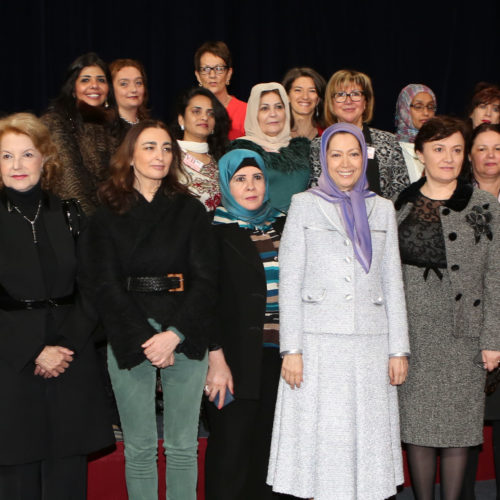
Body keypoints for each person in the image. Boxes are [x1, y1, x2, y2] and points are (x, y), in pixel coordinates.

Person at [267, 123, 409, 500]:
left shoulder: (382, 209)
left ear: (364, 157)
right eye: (336, 154)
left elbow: (393, 282)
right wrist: (291, 349)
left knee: (367, 439)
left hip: (370, 345)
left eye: (353, 153)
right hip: (317, 345)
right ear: (323, 159)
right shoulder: (303, 205)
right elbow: (290, 282)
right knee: (324, 441)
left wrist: (399, 350)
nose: (345, 163)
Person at [80, 119, 217, 500]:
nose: (159, 155)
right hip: (129, 332)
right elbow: (102, 284)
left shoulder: (190, 210)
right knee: (138, 448)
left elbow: (207, 280)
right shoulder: (105, 214)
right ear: (130, 155)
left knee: (182, 446)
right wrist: (146, 338)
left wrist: (173, 335)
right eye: (150, 147)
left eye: (166, 148)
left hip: (184, 329)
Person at [0, 113, 114, 500]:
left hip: (71, 360)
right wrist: (32, 351)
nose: (17, 165)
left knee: (67, 479)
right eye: (6, 156)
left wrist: (64, 346)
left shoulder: (69, 213)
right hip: (11, 366)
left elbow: (93, 288)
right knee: (17, 479)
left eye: (27, 154)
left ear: (45, 159)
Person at [394, 116, 500, 500]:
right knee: (418, 431)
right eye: (439, 149)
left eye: (457, 150)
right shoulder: (400, 204)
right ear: (420, 153)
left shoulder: (485, 205)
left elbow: (496, 277)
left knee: (458, 434)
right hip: (414, 335)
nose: (449, 158)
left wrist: (493, 338)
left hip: (465, 336)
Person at [203, 149, 289, 500]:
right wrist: (216, 360)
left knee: (274, 454)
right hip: (233, 360)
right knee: (231, 453)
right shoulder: (212, 230)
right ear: (226, 184)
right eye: (240, 179)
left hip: (284, 359)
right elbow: (202, 301)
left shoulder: (285, 223)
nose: (250, 186)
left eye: (257, 177)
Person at [460, 122, 500, 500]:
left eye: (497, 148)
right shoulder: (457, 199)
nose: (490, 155)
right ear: (469, 155)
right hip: (469, 324)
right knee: (468, 424)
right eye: (482, 148)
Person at [42, 52, 120, 214]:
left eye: (101, 80)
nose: (94, 85)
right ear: (73, 89)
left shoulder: (116, 128)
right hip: (70, 221)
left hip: (110, 223)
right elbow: (70, 183)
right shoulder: (56, 122)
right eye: (85, 80)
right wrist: (95, 231)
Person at [310, 69, 409, 196]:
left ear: (366, 102)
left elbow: (401, 194)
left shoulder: (388, 142)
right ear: (331, 103)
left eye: (356, 94)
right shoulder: (319, 145)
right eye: (340, 94)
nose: (348, 101)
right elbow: (316, 192)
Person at [229, 82, 311, 212]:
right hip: (262, 228)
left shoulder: (301, 149)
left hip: (302, 226)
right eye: (264, 108)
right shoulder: (241, 152)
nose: (273, 114)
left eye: (279, 107)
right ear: (253, 114)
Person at [173, 87, 229, 212]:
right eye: (196, 112)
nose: (204, 117)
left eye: (210, 113)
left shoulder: (221, 159)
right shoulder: (170, 156)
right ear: (181, 119)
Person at [194, 40, 247, 140]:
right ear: (198, 76)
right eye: (206, 69)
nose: (212, 75)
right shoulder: (192, 113)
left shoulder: (246, 112)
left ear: (229, 73)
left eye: (219, 69)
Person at [395, 83, 437, 182]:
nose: (426, 113)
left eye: (430, 107)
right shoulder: (393, 146)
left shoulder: (440, 144)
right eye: (418, 107)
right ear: (404, 108)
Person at [282, 67, 326, 140]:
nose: (305, 97)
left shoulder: (328, 134)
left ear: (318, 99)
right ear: (287, 96)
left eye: (312, 91)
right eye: (298, 90)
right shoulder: (276, 132)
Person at [110, 58, 150, 127]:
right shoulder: (104, 129)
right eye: (124, 84)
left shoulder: (150, 127)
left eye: (138, 83)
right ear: (111, 89)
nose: (134, 89)